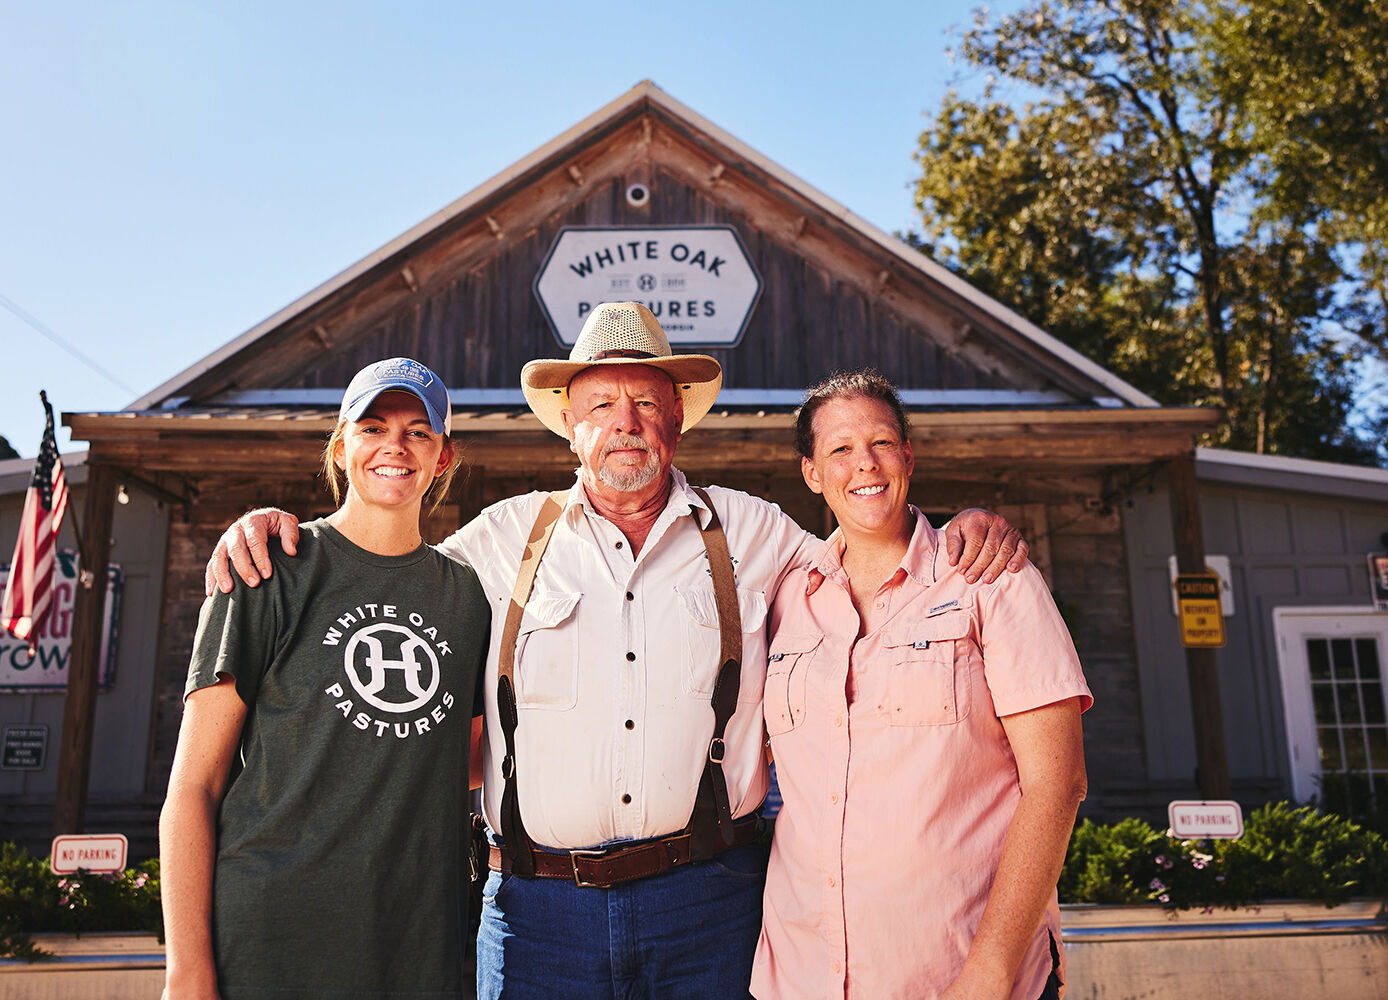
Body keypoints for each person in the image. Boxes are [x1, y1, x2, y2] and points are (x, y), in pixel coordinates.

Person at [205, 303, 1029, 1000]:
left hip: (711, 899)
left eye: (645, 403)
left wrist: (958, 522)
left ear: (677, 418)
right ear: (570, 424)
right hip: (535, 911)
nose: (625, 424)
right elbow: (375, 570)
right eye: (601, 405)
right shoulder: (498, 541)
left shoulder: (752, 531)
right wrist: (280, 532)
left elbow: (868, 548)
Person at [159, 358, 491, 1000]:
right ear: (341, 449)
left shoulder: (468, 595)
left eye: (418, 432)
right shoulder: (267, 571)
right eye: (372, 427)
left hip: (418, 947)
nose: (394, 446)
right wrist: (188, 972)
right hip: (270, 940)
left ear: (443, 457)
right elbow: (194, 786)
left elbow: (464, 757)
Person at [753, 369, 1090, 1000]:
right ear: (811, 472)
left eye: (881, 443)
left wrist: (989, 972)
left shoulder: (992, 579)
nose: (866, 466)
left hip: (957, 974)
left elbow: (1058, 783)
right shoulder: (782, 600)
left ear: (908, 455)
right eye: (841, 450)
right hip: (800, 978)